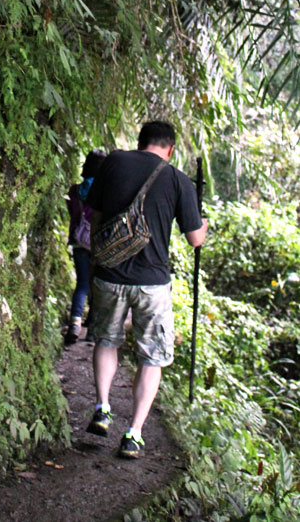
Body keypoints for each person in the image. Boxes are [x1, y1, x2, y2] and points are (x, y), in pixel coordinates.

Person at [85, 121, 208, 458]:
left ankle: (102, 407)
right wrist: (204, 222)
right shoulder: (178, 179)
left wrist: (101, 254)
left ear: (140, 143)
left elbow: (95, 216)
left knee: (106, 340)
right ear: (170, 149)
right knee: (151, 357)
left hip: (110, 275)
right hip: (152, 283)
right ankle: (134, 433)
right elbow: (195, 238)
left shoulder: (113, 162)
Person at [65, 150, 106, 345]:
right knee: (97, 285)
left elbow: (72, 213)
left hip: (79, 242)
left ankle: (74, 324)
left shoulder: (74, 191)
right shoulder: (105, 192)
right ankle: (93, 330)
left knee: (82, 284)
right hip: (99, 243)